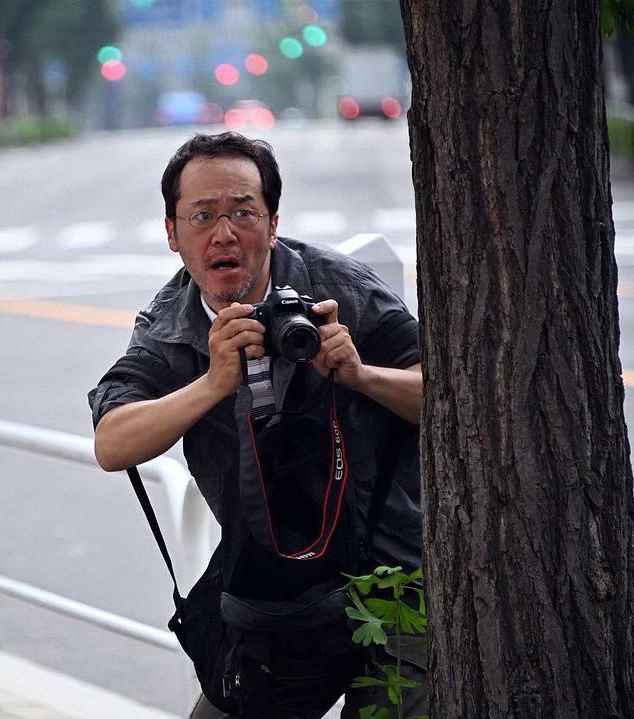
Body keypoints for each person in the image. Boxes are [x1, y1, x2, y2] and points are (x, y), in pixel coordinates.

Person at [88, 132, 426, 719]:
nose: (224, 233)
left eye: (243, 212)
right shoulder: (169, 326)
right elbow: (112, 444)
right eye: (202, 216)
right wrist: (213, 384)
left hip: (393, 574)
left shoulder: (338, 288)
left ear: (272, 223)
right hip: (278, 586)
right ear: (173, 234)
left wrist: (362, 375)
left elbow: (452, 401)